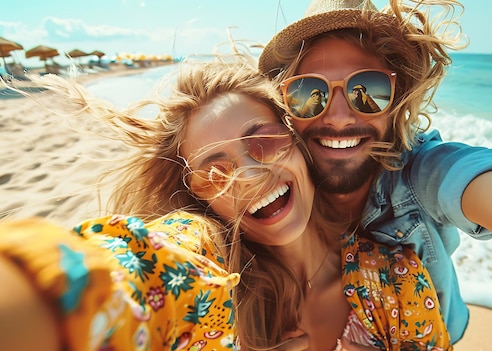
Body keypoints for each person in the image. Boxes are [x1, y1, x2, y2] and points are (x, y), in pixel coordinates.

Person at [0, 58, 455, 350]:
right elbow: (136, 274)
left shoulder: (396, 279)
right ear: (198, 194)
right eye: (215, 170)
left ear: (299, 143)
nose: (250, 176)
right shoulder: (210, 275)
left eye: (266, 141)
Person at [258, 0, 492, 339]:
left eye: (366, 90)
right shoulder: (275, 185)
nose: (338, 118)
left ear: (397, 101)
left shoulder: (422, 172)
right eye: (309, 94)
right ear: (285, 106)